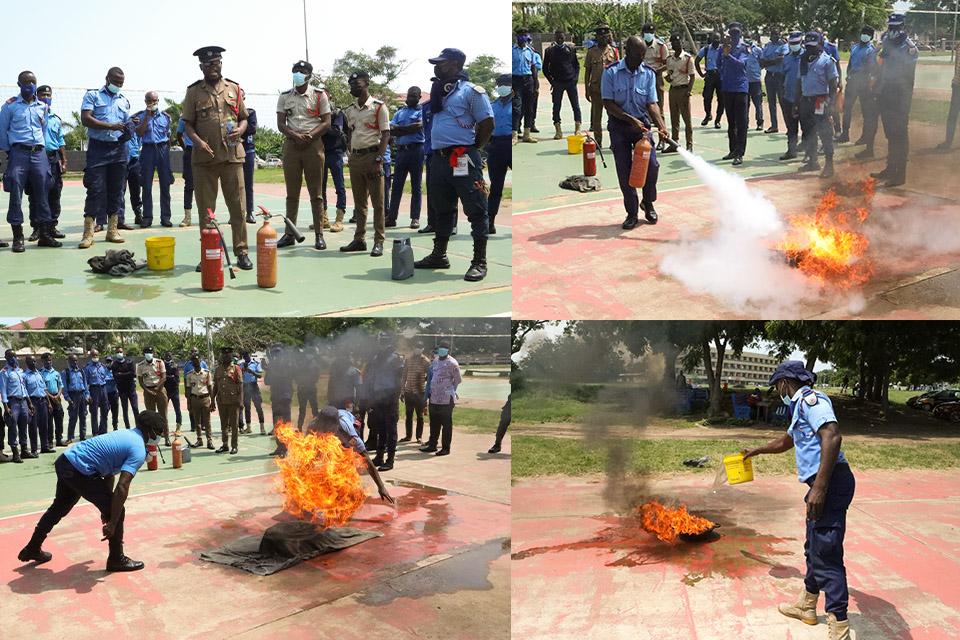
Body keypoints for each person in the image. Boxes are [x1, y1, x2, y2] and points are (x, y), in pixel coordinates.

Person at [742, 362, 855, 640]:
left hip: (829, 483)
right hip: (821, 484)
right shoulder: (799, 408)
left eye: (777, 386)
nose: (777, 391)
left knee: (826, 555)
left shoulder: (812, 400)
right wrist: (756, 450)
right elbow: (786, 441)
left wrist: (819, 488)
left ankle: (839, 626)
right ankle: (806, 606)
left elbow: (832, 436)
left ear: (784, 383)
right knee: (814, 547)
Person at [17, 410, 167, 573]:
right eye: (158, 433)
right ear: (149, 430)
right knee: (118, 510)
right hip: (78, 469)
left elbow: (109, 474)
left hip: (66, 461)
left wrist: (105, 508)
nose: (159, 437)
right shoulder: (138, 448)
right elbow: (122, 487)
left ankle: (32, 547)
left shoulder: (127, 435)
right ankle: (116, 559)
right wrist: (112, 522)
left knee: (59, 508)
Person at [414, 48, 495, 282]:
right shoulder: (438, 92)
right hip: (439, 159)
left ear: (457, 64)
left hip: (463, 158)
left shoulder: (471, 92)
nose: (436, 67)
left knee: (477, 210)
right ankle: (439, 255)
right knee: (442, 210)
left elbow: (487, 123)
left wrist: (472, 148)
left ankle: (479, 261)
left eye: (442, 63)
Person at [182, 46, 253, 271]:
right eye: (209, 64)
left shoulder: (234, 88)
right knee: (206, 210)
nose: (214, 67)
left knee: (238, 208)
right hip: (204, 159)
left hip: (233, 157)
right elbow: (188, 124)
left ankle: (241, 252)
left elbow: (244, 118)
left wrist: (241, 130)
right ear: (201, 66)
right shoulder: (194, 92)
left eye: (217, 63)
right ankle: (209, 254)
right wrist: (197, 142)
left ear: (221, 64)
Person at [602, 36, 668, 231]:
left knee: (652, 166)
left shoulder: (647, 73)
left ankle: (648, 203)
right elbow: (608, 103)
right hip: (620, 126)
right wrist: (630, 120)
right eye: (637, 54)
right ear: (626, 51)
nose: (640, 58)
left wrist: (662, 126)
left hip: (643, 128)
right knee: (625, 170)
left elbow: (652, 103)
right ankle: (632, 213)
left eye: (643, 55)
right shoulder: (611, 72)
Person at [0, 71, 60, 251]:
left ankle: (45, 234)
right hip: (19, 153)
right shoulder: (9, 106)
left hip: (39, 153)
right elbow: (3, 133)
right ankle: (18, 237)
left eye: (33, 81)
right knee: (16, 194)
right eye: (26, 82)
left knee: (43, 192)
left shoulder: (43, 106)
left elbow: (44, 129)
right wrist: (13, 151)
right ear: (19, 84)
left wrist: (38, 148)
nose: (30, 85)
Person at [277, 60, 331, 250]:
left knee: (316, 194)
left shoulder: (319, 95)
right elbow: (281, 124)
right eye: (295, 71)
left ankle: (319, 234)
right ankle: (289, 233)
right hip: (292, 145)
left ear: (309, 75)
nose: (298, 74)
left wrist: (309, 136)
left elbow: (326, 122)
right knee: (292, 194)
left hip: (312, 145)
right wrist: (295, 136)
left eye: (302, 71)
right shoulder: (285, 96)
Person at [79, 67, 132, 249]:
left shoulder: (123, 101)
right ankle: (88, 233)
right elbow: (86, 119)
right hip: (98, 149)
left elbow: (126, 124)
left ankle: (112, 230)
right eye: (115, 81)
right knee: (94, 189)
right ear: (107, 79)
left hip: (119, 150)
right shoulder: (93, 96)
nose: (118, 85)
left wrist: (130, 127)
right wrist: (112, 126)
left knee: (116, 190)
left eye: (121, 83)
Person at [340, 71, 390, 257]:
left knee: (378, 203)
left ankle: (379, 241)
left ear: (367, 83)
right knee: (359, 203)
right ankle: (359, 239)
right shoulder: (351, 109)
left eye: (357, 83)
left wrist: (379, 160)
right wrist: (350, 153)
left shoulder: (378, 107)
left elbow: (385, 134)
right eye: (351, 83)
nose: (354, 86)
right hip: (356, 159)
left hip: (372, 157)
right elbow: (351, 132)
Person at [306, 406, 395, 504]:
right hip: (336, 431)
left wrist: (381, 487)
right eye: (323, 428)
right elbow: (309, 453)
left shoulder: (347, 432)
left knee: (345, 464)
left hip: (348, 432)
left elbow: (366, 458)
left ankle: (349, 493)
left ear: (336, 425)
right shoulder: (312, 427)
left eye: (329, 429)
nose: (326, 432)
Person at [871, 13, 918, 188]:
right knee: (890, 132)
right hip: (886, 91)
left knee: (899, 133)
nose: (892, 30)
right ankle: (891, 168)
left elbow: (908, 75)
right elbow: (880, 65)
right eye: (890, 26)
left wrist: (903, 97)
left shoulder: (908, 47)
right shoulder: (886, 43)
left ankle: (900, 175)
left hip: (901, 93)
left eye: (895, 27)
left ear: (903, 26)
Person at [794, 32, 839, 179]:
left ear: (820, 44)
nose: (810, 49)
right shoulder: (803, 60)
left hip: (821, 101)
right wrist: (796, 104)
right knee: (808, 132)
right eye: (807, 46)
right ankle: (813, 161)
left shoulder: (827, 61)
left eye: (813, 46)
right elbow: (799, 83)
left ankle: (829, 165)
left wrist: (832, 105)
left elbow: (833, 85)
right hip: (806, 101)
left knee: (825, 133)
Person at [26, 85, 67, 242]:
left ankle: (51, 227)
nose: (46, 97)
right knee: (36, 195)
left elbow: (60, 140)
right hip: (37, 157)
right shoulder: (33, 114)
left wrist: (64, 161)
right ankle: (37, 228)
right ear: (36, 96)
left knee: (55, 194)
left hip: (52, 158)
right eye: (43, 94)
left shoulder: (55, 119)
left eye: (49, 95)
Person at [133, 91, 174, 228]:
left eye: (155, 100)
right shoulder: (140, 117)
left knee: (165, 184)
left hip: (162, 150)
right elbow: (139, 133)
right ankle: (147, 217)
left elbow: (167, 136)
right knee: (146, 185)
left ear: (158, 101)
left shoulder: (166, 117)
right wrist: (147, 116)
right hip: (147, 150)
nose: (153, 103)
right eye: (150, 101)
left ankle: (166, 217)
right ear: (145, 102)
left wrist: (166, 154)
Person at [364, 332, 404, 471]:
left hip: (390, 397)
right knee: (379, 428)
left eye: (386, 341)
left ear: (390, 342)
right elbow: (371, 379)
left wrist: (394, 402)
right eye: (381, 341)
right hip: (377, 397)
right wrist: (370, 399)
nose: (383, 344)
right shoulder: (375, 358)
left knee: (391, 430)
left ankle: (390, 460)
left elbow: (399, 381)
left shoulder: (395, 359)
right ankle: (379, 457)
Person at [387, 86, 425, 228]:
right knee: (397, 185)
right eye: (409, 96)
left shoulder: (422, 112)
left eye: (414, 96)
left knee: (416, 185)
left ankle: (415, 218)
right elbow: (391, 129)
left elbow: (418, 126)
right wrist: (406, 129)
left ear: (419, 97)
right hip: (402, 151)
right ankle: (392, 217)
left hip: (417, 150)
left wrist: (400, 129)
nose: (411, 99)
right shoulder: (400, 112)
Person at [420, 339, 461, 456]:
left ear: (448, 350)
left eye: (445, 348)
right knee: (434, 423)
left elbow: (458, 380)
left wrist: (448, 389)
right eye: (440, 348)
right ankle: (432, 445)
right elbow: (431, 379)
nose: (442, 350)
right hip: (434, 398)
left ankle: (445, 448)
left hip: (446, 399)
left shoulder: (453, 363)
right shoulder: (435, 361)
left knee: (446, 424)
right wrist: (427, 395)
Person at [717, 23, 750, 165]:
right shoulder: (722, 48)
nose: (734, 35)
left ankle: (740, 152)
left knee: (741, 122)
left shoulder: (744, 48)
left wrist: (728, 56)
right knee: (731, 121)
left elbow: (741, 64)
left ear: (740, 33)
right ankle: (732, 149)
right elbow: (718, 63)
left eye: (737, 32)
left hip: (740, 87)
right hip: (727, 87)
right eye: (732, 32)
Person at [839, 26, 878, 146]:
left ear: (871, 37)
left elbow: (872, 68)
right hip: (852, 79)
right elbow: (851, 62)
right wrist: (849, 74)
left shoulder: (871, 50)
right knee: (847, 107)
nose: (865, 35)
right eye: (863, 33)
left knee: (866, 110)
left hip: (864, 81)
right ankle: (845, 133)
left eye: (868, 34)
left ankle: (865, 136)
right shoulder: (855, 47)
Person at [584, 24, 619, 146]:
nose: (604, 39)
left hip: (610, 90)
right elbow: (587, 71)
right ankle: (598, 142)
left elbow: (618, 71)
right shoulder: (591, 52)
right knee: (596, 118)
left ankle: (614, 141)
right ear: (597, 38)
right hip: (596, 90)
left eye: (606, 36)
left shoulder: (614, 51)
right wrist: (587, 89)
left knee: (613, 117)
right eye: (601, 36)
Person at [544, 29, 582, 139]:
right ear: (555, 37)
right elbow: (545, 69)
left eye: (561, 36)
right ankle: (558, 130)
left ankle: (577, 128)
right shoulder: (549, 51)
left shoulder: (570, 49)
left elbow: (576, 65)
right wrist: (552, 82)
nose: (560, 38)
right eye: (557, 37)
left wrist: (575, 78)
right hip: (558, 83)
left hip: (570, 81)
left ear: (564, 37)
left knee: (576, 106)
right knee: (556, 107)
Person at [487, 75, 513, 234]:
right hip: (496, 145)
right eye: (500, 84)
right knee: (496, 186)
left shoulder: (516, 104)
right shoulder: (492, 106)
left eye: (506, 84)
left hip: (511, 144)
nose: (503, 87)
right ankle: (490, 221)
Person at [2, 350, 35, 463]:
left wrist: (29, 403)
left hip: (23, 402)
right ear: (6, 357)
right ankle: (15, 452)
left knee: (23, 426)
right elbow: (3, 390)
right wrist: (6, 407)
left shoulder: (20, 371)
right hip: (13, 402)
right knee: (13, 428)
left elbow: (24, 388)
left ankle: (24, 450)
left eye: (15, 356)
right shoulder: (4, 372)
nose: (14, 358)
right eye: (11, 356)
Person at [664, 35, 694, 152]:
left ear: (682, 43)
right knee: (674, 118)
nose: (676, 44)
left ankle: (689, 144)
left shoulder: (687, 58)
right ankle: (674, 143)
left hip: (683, 90)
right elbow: (670, 73)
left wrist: (688, 92)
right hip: (673, 90)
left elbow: (692, 77)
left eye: (678, 41)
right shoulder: (670, 59)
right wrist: (668, 78)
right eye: (674, 42)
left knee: (687, 119)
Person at [320, 102, 348, 232]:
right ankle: (323, 219)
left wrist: (322, 125)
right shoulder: (316, 114)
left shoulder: (337, 113)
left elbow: (337, 131)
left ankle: (339, 219)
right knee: (320, 187)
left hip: (335, 153)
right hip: (321, 152)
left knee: (339, 186)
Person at [642, 23, 670, 149]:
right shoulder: (640, 44)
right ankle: (644, 139)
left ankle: (662, 140)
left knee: (658, 109)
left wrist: (656, 70)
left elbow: (667, 63)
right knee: (642, 110)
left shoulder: (660, 46)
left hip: (656, 77)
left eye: (651, 32)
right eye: (646, 31)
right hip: (641, 77)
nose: (649, 34)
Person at [212, 347, 243, 455]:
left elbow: (240, 385)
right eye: (224, 355)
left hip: (233, 401)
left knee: (234, 425)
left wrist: (241, 401)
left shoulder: (236, 368)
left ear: (231, 356)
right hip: (221, 401)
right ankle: (225, 444)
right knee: (223, 425)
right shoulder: (218, 369)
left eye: (228, 355)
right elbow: (215, 386)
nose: (225, 357)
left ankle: (234, 446)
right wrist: (212, 400)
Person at [779, 31, 804, 161]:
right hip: (788, 97)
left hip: (803, 98)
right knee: (791, 127)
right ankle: (791, 150)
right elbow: (783, 74)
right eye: (791, 43)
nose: (793, 45)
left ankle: (809, 154)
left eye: (796, 43)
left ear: (800, 43)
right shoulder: (787, 57)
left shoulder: (805, 57)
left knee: (806, 126)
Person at [137, 346, 169, 446]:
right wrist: (147, 390)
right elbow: (141, 381)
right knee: (150, 416)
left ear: (153, 353)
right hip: (148, 390)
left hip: (159, 389)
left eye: (150, 352)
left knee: (163, 414)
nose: (148, 354)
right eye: (146, 352)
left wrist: (157, 388)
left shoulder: (159, 363)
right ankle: (152, 437)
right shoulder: (141, 365)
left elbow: (163, 377)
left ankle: (166, 437)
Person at [264, 345, 292, 457]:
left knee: (285, 423)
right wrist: (269, 370)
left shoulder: (288, 364)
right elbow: (267, 381)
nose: (276, 356)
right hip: (275, 397)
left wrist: (270, 370)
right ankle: (279, 446)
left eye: (278, 354)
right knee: (276, 423)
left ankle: (284, 448)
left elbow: (284, 377)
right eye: (275, 354)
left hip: (285, 396)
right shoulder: (272, 365)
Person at [760, 30, 788, 134]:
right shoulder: (768, 46)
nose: (774, 36)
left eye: (776, 34)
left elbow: (783, 59)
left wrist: (768, 62)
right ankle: (774, 126)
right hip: (769, 76)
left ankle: (789, 127)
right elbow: (761, 61)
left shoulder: (783, 46)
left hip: (779, 77)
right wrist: (773, 61)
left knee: (783, 103)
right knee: (771, 103)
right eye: (773, 34)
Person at [401, 343, 430, 444]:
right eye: (416, 348)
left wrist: (423, 380)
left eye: (420, 348)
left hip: (420, 391)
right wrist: (402, 391)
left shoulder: (425, 361)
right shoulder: (408, 360)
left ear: (422, 349)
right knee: (409, 415)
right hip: (409, 391)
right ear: (413, 348)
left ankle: (419, 437)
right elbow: (404, 375)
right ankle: (408, 436)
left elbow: (430, 375)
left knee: (420, 415)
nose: (417, 350)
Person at [512, 28, 537, 144]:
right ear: (516, 36)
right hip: (516, 80)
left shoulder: (530, 51)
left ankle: (527, 134)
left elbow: (533, 68)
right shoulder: (511, 51)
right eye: (520, 35)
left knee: (529, 108)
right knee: (517, 108)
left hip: (528, 80)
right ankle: (514, 135)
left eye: (524, 35)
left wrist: (536, 84)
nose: (522, 37)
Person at [24, 356, 53, 454]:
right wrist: (29, 405)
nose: (33, 363)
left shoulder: (39, 374)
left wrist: (49, 403)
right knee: (33, 426)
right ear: (27, 363)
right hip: (33, 402)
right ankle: (34, 449)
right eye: (31, 361)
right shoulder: (25, 375)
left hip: (43, 401)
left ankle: (45, 446)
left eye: (34, 361)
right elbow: (25, 391)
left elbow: (44, 389)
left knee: (44, 425)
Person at [695, 33, 724, 129]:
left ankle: (718, 120)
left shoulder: (723, 49)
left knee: (721, 99)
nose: (716, 40)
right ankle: (708, 115)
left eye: (718, 39)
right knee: (707, 97)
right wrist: (701, 74)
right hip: (710, 75)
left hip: (720, 76)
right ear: (711, 39)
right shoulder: (706, 49)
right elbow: (697, 61)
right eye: (715, 38)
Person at [114, 127, 141, 230]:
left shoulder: (134, 127)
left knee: (136, 190)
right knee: (120, 191)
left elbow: (139, 141)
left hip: (134, 161)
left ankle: (138, 215)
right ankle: (120, 220)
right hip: (121, 160)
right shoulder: (118, 126)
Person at [185, 353, 214, 449]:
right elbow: (188, 389)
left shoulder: (207, 373)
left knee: (207, 421)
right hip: (194, 398)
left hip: (205, 398)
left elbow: (210, 387)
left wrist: (212, 401)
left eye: (197, 361)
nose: (195, 362)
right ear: (192, 363)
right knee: (197, 421)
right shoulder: (190, 375)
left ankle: (209, 440)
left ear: (200, 361)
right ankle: (199, 439)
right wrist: (188, 402)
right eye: (193, 361)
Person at [63, 354, 91, 444]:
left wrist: (87, 396)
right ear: (68, 361)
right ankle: (70, 437)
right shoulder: (65, 373)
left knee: (83, 416)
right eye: (72, 361)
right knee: (73, 417)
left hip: (82, 395)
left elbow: (85, 385)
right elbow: (65, 388)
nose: (74, 362)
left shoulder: (81, 372)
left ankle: (83, 435)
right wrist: (68, 399)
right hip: (73, 396)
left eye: (76, 361)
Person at [183, 348, 209, 442]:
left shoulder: (203, 365)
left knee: (205, 416)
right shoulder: (187, 366)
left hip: (203, 393)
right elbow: (186, 379)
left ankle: (206, 434)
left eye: (195, 351)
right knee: (192, 411)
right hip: (193, 393)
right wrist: (187, 392)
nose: (194, 353)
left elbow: (208, 381)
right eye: (192, 351)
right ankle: (193, 426)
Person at [938, 39, 960, 150]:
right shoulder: (958, 45)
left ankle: (948, 142)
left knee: (953, 114)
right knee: (952, 115)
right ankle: (948, 141)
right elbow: (957, 65)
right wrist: (954, 80)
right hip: (957, 84)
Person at [110, 345, 139, 430]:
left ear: (123, 352)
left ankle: (138, 426)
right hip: (122, 390)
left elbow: (133, 374)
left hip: (131, 389)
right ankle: (128, 427)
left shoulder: (130, 362)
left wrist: (121, 374)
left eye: (120, 352)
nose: (119, 353)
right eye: (117, 352)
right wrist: (126, 374)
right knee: (125, 409)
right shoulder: (114, 364)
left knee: (135, 408)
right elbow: (115, 376)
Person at [83, 350, 110, 437]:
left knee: (105, 410)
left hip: (103, 389)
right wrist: (87, 395)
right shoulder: (87, 368)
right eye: (93, 355)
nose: (95, 357)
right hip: (94, 390)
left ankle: (103, 430)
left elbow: (105, 378)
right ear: (91, 356)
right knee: (94, 412)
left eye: (97, 355)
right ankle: (95, 432)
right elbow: (85, 382)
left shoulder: (102, 366)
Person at [40, 353, 65, 447]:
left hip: (57, 398)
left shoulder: (56, 373)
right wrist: (51, 397)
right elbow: (42, 388)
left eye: (50, 360)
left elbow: (61, 385)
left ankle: (59, 439)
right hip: (47, 399)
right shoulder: (41, 374)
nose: (48, 362)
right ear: (42, 361)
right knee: (49, 422)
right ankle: (49, 441)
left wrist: (58, 395)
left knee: (59, 420)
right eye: (46, 360)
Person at [295, 347, 321, 431]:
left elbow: (316, 377)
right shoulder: (301, 363)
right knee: (302, 409)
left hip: (311, 388)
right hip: (303, 388)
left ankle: (316, 428)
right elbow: (297, 376)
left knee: (314, 409)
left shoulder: (315, 364)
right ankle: (299, 428)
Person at [240, 350, 265, 435]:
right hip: (245, 386)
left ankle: (262, 427)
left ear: (250, 355)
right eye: (244, 355)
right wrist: (243, 370)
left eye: (247, 354)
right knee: (247, 407)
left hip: (253, 386)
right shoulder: (241, 365)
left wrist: (252, 372)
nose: (246, 356)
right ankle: (248, 427)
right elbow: (239, 376)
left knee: (258, 407)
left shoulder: (255, 364)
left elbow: (260, 375)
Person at [176, 116, 194, 227]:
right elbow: (179, 135)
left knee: (207, 185)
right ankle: (187, 217)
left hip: (204, 151)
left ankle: (209, 216)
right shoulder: (184, 117)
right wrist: (185, 148)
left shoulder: (206, 114)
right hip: (190, 150)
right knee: (189, 185)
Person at [745, 35, 765, 131]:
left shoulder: (757, 50)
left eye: (748, 36)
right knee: (745, 103)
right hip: (744, 80)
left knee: (758, 103)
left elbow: (762, 62)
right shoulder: (741, 49)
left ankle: (760, 122)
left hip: (755, 80)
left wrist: (756, 71)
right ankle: (745, 122)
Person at [242, 100, 258, 224]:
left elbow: (252, 128)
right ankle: (235, 213)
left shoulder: (250, 112)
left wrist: (239, 128)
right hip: (233, 152)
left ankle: (249, 212)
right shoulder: (230, 113)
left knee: (248, 184)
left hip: (248, 152)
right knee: (234, 186)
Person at [162, 352, 182, 434]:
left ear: (172, 356)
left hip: (174, 391)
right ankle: (164, 429)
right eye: (166, 355)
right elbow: (161, 377)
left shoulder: (175, 365)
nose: (168, 357)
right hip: (165, 391)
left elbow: (176, 378)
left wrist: (166, 377)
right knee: (163, 410)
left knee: (177, 409)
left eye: (169, 355)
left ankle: (178, 427)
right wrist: (170, 377)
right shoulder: (162, 365)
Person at [103, 356, 119, 430]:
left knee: (115, 411)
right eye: (107, 362)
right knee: (105, 411)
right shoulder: (103, 371)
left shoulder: (115, 370)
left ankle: (115, 426)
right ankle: (103, 427)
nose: (109, 363)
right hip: (106, 394)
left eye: (110, 361)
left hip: (114, 393)